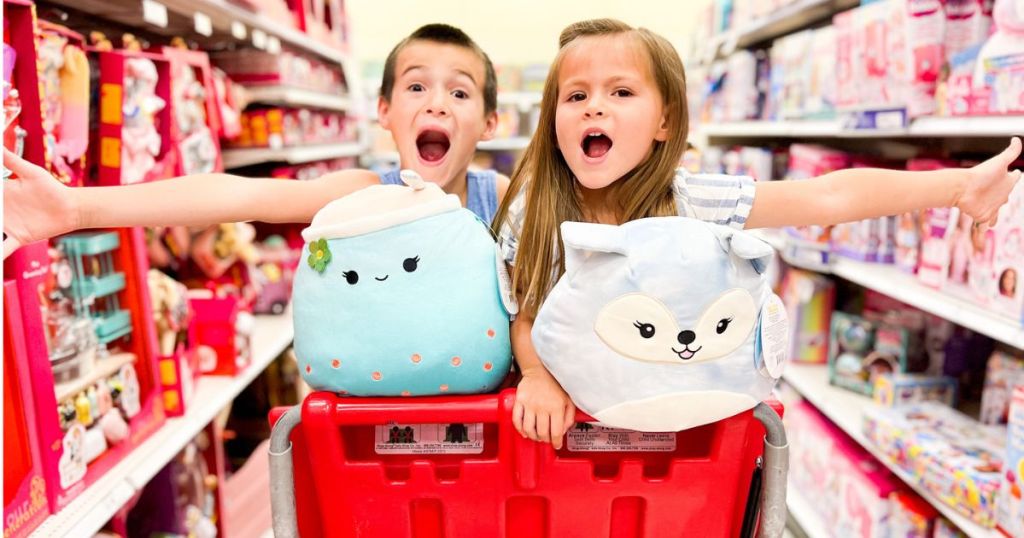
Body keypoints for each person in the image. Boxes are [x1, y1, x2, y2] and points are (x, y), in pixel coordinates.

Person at [493, 18, 1023, 449]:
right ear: (553, 120)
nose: (595, 106)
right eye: (575, 95)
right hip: (569, 441)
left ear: (665, 122)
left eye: (622, 91)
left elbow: (826, 197)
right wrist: (536, 374)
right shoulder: (533, 208)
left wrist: (959, 187)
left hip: (680, 436)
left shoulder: (692, 201)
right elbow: (527, 311)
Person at [3, 23, 509, 258]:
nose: (436, 103)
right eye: (416, 86)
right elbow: (239, 195)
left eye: (459, 92)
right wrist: (76, 209)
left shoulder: (505, 200)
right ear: (384, 112)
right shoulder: (359, 194)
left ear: (489, 123)